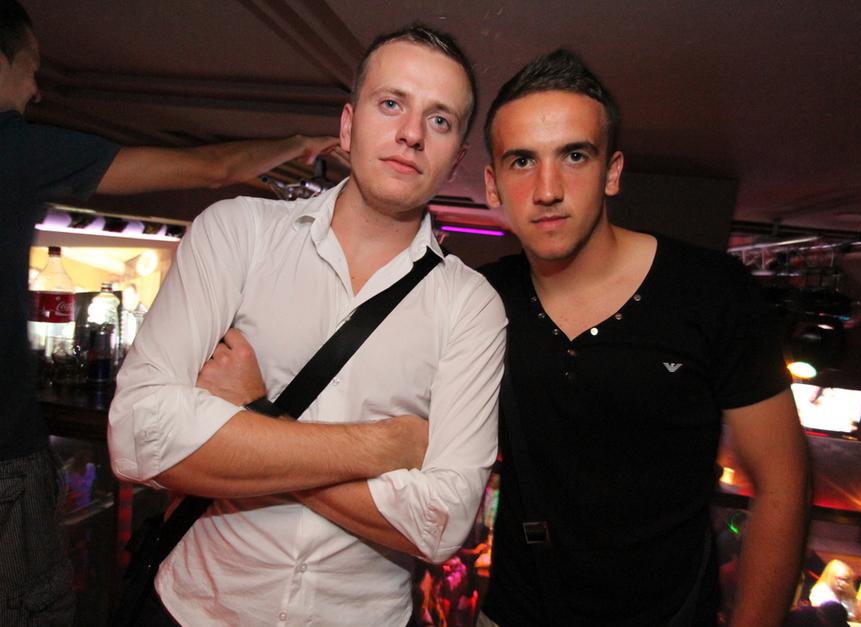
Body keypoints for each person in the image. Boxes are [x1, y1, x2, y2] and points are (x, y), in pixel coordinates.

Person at [109, 23, 506, 625]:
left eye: (440, 119)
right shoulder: (238, 233)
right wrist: (382, 447)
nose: (411, 134)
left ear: (455, 162)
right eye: (391, 104)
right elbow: (139, 435)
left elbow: (440, 523)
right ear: (348, 126)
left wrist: (256, 415)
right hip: (192, 609)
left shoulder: (470, 306)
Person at [0, 1, 345, 624]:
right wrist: (297, 143)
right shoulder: (14, 146)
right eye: (30, 69)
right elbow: (210, 167)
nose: (36, 89)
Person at [477, 49, 811, 625]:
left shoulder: (710, 291)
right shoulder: (480, 300)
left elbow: (784, 482)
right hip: (515, 612)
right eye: (522, 161)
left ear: (612, 172)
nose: (548, 188)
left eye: (574, 156)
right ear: (492, 185)